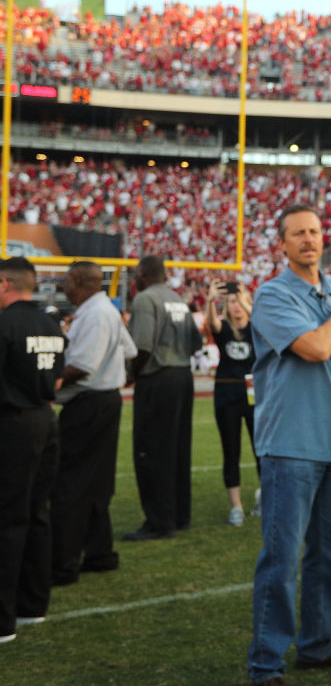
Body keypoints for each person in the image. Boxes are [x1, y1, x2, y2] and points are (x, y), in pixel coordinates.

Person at [247, 204, 331, 686]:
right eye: (298, 233)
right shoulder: (273, 294)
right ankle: (266, 663)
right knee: (281, 558)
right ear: (282, 244)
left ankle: (319, 645)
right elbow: (317, 348)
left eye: (315, 231)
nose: (309, 239)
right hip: (293, 444)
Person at [51, 261, 137, 586]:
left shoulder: (96, 313)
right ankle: (100, 553)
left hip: (89, 403)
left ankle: (63, 563)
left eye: (66, 282)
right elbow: (129, 350)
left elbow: (83, 365)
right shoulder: (104, 309)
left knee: (70, 484)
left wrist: (51, 381)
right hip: (103, 401)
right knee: (96, 484)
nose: (64, 288)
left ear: (77, 280)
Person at [0, 256, 64, 643]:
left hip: (13, 423)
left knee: (8, 517)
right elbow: (57, 377)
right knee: (38, 513)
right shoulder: (50, 323)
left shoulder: (6, 324)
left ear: (5, 285)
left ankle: (3, 619)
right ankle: (34, 604)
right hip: (46, 420)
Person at [125, 255, 203, 541]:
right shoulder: (177, 298)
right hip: (183, 376)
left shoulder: (146, 300)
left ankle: (159, 521)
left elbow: (142, 346)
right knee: (178, 448)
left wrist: (131, 373)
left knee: (153, 449)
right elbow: (196, 342)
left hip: (158, 378)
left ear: (144, 274)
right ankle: (180, 515)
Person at [204, 279, 256, 527]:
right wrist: (211, 299)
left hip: (253, 394)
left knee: (262, 450)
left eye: (240, 301)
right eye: (232, 302)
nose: (236, 306)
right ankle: (236, 506)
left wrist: (244, 299)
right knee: (231, 450)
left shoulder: (255, 327)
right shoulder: (223, 327)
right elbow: (212, 322)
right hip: (227, 394)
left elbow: (260, 322)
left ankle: (264, 498)